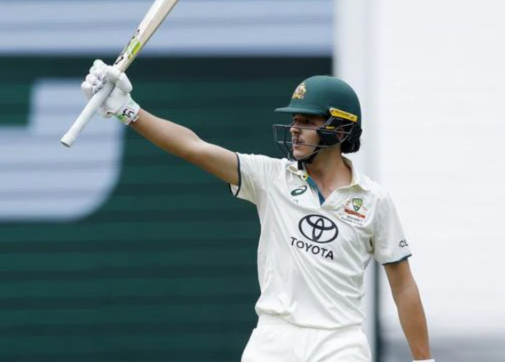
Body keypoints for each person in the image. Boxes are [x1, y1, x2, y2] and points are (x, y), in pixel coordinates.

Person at [80, 60, 433, 362]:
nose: (295, 129)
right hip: (276, 336)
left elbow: (402, 286)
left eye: (307, 121)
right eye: (295, 119)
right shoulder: (271, 177)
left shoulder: (374, 200)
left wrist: (423, 360)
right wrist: (129, 110)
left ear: (339, 128)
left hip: (340, 341)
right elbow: (194, 148)